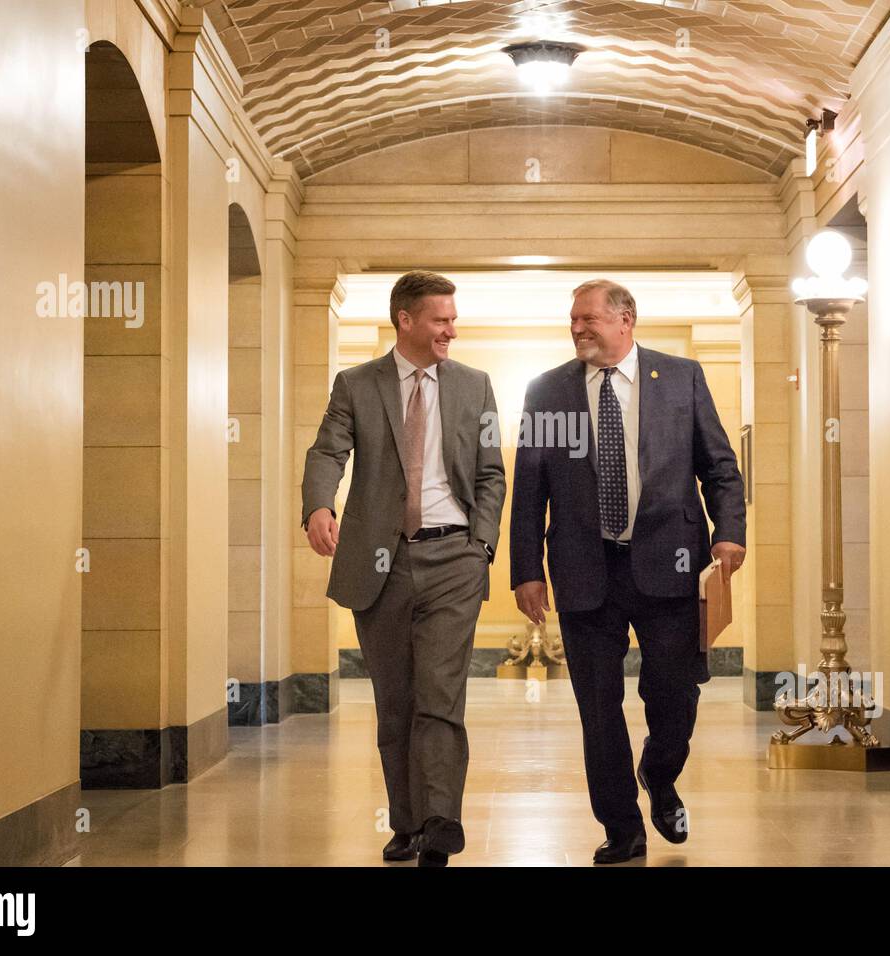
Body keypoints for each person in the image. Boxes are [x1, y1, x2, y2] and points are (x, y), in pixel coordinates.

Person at [509, 279, 746, 864]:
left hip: (671, 564)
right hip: (585, 571)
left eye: (588, 318)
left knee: (674, 693)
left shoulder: (682, 377)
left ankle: (660, 776)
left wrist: (730, 533)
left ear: (626, 319)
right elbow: (530, 487)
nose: (578, 328)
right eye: (573, 319)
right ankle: (622, 827)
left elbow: (720, 467)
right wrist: (526, 570)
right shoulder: (548, 391)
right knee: (598, 706)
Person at [301, 270, 506, 866]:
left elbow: (491, 471)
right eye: (441, 319)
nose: (452, 329)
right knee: (396, 701)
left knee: (440, 695)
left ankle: (442, 821)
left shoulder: (476, 386)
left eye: (453, 318)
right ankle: (407, 822)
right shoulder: (356, 385)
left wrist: (482, 545)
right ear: (406, 320)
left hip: (454, 558)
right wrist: (318, 504)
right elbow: (327, 451)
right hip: (379, 562)